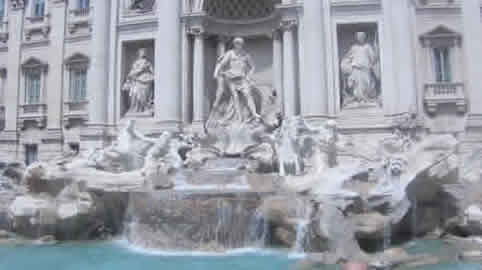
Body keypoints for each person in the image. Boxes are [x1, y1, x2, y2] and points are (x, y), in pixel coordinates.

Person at [209, 37, 261, 128]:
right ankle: (238, 118)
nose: (238, 45)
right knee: (235, 97)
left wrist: (249, 76)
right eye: (237, 43)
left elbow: (252, 67)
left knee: (247, 95)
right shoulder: (230, 54)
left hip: (242, 78)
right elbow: (221, 64)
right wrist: (216, 72)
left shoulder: (246, 55)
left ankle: (254, 113)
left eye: (240, 43)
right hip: (231, 78)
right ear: (234, 44)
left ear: (242, 44)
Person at [340, 32, 380, 107]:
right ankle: (358, 99)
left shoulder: (368, 47)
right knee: (356, 85)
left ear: (364, 37)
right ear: (356, 38)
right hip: (356, 69)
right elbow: (348, 57)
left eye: (361, 36)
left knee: (366, 84)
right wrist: (345, 65)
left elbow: (373, 58)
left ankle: (365, 99)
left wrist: (376, 50)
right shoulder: (353, 47)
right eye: (358, 37)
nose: (360, 38)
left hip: (365, 69)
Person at [122, 48, 154, 114]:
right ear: (138, 53)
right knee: (135, 95)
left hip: (146, 80)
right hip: (137, 81)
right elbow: (132, 72)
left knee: (144, 96)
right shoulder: (136, 63)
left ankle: (145, 108)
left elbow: (153, 73)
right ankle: (134, 109)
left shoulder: (148, 63)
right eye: (141, 52)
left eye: (144, 52)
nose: (143, 53)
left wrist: (149, 75)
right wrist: (140, 70)